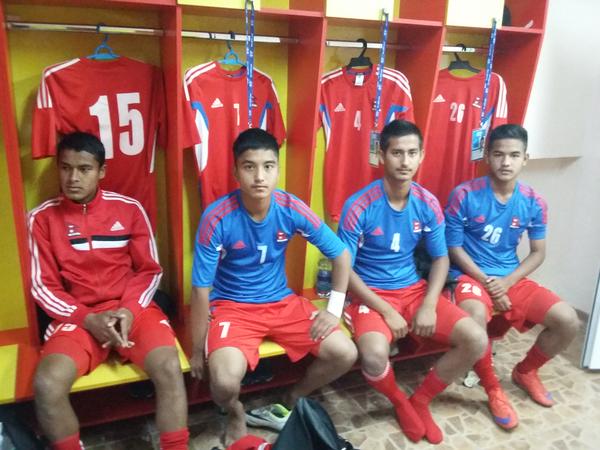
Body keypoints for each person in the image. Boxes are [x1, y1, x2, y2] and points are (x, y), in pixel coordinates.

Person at [189, 128, 358, 445]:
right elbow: (200, 289)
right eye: (249, 166)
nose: (259, 177)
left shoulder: (291, 207)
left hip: (282, 303)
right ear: (235, 171)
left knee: (345, 353)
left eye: (268, 166)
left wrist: (333, 310)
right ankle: (236, 412)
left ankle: (292, 398)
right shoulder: (217, 217)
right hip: (232, 308)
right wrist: (197, 350)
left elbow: (341, 254)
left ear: (278, 170)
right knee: (223, 383)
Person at [28, 132, 188, 450]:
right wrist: (88, 318)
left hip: (131, 311)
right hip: (79, 318)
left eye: (84, 169)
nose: (73, 178)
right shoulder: (41, 219)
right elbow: (43, 286)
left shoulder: (129, 209)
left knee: (169, 367)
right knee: (46, 384)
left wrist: (128, 310)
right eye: (65, 168)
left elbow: (149, 271)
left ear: (101, 171)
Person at [337, 120, 488, 444]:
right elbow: (344, 269)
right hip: (369, 295)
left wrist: (430, 305)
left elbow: (441, 258)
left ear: (421, 156)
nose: (405, 161)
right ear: (382, 156)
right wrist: (386, 311)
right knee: (374, 355)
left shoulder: (427, 203)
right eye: (397, 153)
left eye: (412, 153)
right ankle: (399, 402)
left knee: (475, 339)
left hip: (413, 290)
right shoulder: (358, 206)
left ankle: (420, 400)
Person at [445, 124, 579, 429]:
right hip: (469, 275)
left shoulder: (534, 201)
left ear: (525, 158)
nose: (506, 162)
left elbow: (538, 253)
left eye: (514, 155)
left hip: (509, 277)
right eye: (498, 154)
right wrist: (489, 284)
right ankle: (493, 388)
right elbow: (453, 248)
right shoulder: (464, 195)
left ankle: (526, 371)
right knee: (475, 318)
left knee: (568, 320)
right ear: (487, 157)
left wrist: (506, 282)